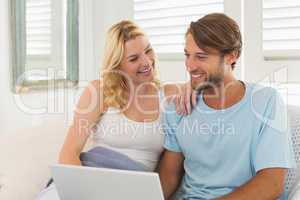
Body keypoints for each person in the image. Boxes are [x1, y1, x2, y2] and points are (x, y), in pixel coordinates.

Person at [36, 20, 194, 199]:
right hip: (88, 179)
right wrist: (83, 190)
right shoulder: (99, 91)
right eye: (134, 58)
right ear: (117, 65)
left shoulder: (168, 94)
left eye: (148, 50)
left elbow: (214, 84)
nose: (147, 61)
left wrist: (194, 87)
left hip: (131, 189)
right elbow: (69, 152)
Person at [158, 13, 295, 200]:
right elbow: (170, 174)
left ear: (232, 56)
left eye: (201, 56)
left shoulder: (266, 101)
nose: (190, 66)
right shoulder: (179, 106)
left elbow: (271, 182)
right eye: (187, 55)